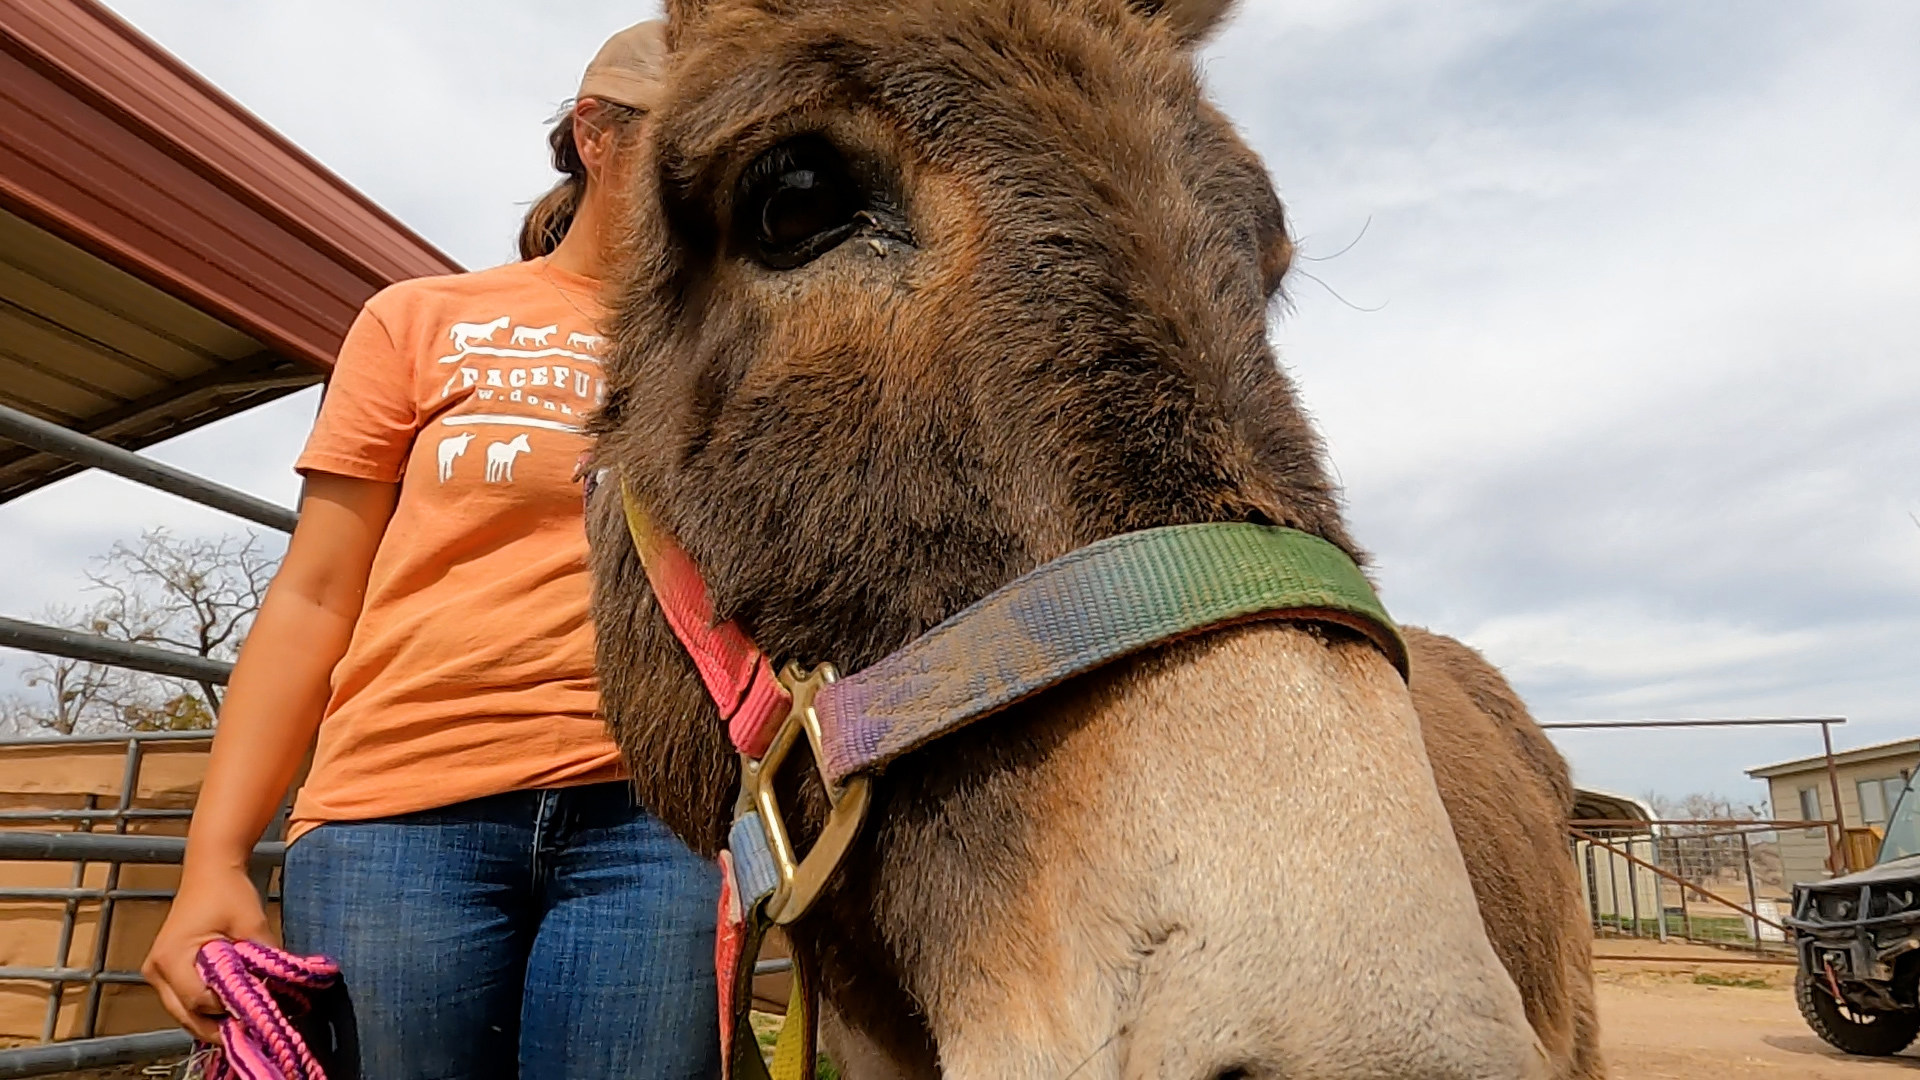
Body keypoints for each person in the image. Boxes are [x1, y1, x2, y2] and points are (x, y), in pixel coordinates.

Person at [142, 22, 722, 1079]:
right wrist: (214, 857)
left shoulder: (736, 342)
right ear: (595, 133)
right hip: (398, 818)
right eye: (686, 137)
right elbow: (317, 594)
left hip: (655, 822)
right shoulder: (422, 321)